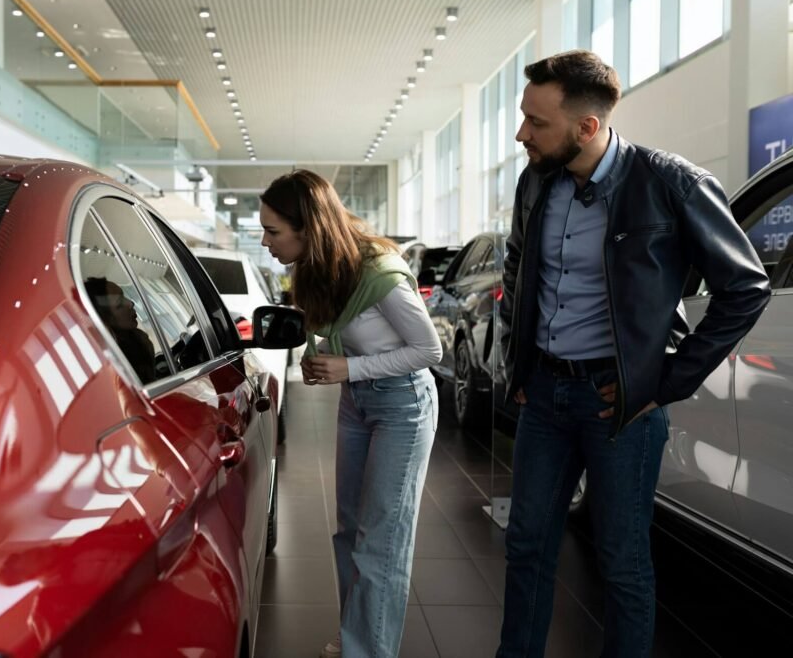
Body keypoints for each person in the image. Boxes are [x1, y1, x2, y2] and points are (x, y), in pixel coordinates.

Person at [497, 50, 770, 657]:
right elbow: (518, 265)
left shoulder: (671, 183)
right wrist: (517, 360)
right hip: (544, 394)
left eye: (536, 122)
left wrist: (665, 382)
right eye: (523, 117)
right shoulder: (536, 181)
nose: (522, 135)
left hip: (621, 405)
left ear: (587, 126)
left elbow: (746, 287)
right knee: (526, 545)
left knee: (621, 562)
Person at [259, 170, 442, 658]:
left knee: (381, 540)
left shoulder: (378, 273)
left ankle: (368, 649)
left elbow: (430, 351)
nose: (265, 241)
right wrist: (329, 360)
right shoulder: (320, 270)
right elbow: (346, 337)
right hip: (358, 402)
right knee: (350, 530)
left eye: (273, 231)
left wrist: (350, 367)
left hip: (402, 406)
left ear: (308, 228)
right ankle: (359, 634)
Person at [84, 277, 157, 383]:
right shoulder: (107, 365)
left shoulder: (139, 339)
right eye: (119, 304)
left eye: (124, 297)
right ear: (104, 320)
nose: (130, 303)